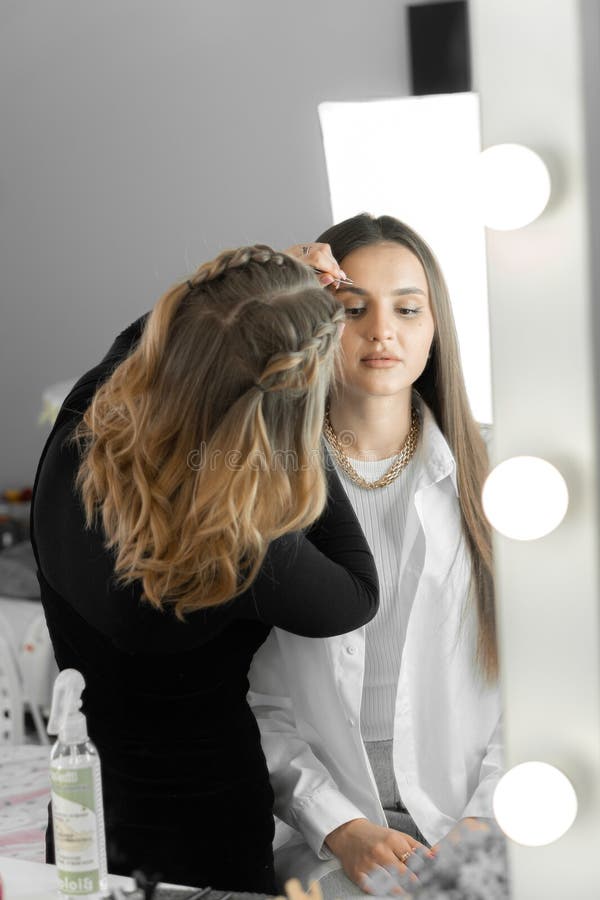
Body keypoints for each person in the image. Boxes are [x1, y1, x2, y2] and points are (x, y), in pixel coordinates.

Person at [30, 244, 379, 893]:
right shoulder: (243, 541)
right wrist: (296, 435)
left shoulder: (83, 425)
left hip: (80, 823)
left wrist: (261, 286)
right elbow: (356, 593)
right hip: (204, 842)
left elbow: (153, 336)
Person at [248, 215, 502, 896]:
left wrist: (480, 827)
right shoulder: (263, 481)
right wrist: (337, 825)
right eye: (352, 308)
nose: (381, 330)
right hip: (325, 825)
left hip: (482, 810)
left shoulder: (504, 479)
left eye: (407, 309)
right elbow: (255, 697)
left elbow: (543, 683)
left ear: (435, 328)